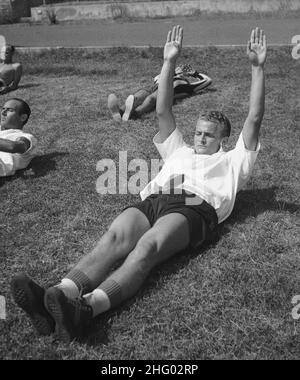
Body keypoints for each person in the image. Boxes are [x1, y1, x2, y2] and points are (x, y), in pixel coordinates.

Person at [11, 25, 267, 343]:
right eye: (199, 131)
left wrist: (257, 68)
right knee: (114, 237)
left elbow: (254, 118)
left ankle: (86, 310)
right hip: (155, 198)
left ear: (224, 139)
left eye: (209, 134)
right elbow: (162, 109)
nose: (200, 137)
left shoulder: (234, 161)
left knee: (146, 248)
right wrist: (169, 62)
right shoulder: (181, 149)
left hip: (193, 205)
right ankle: (58, 295)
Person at [108, 63, 212, 121]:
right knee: (137, 96)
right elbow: (157, 78)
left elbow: (207, 80)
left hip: (169, 88)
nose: (181, 68)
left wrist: (194, 73)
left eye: (182, 70)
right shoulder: (164, 75)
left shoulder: (187, 85)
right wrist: (173, 72)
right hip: (155, 85)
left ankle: (133, 114)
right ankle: (119, 112)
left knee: (151, 99)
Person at [0, 98, 37, 177]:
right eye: (3, 109)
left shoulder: (26, 137)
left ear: (22, 117)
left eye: (10, 110)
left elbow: (13, 147)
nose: (3, 112)